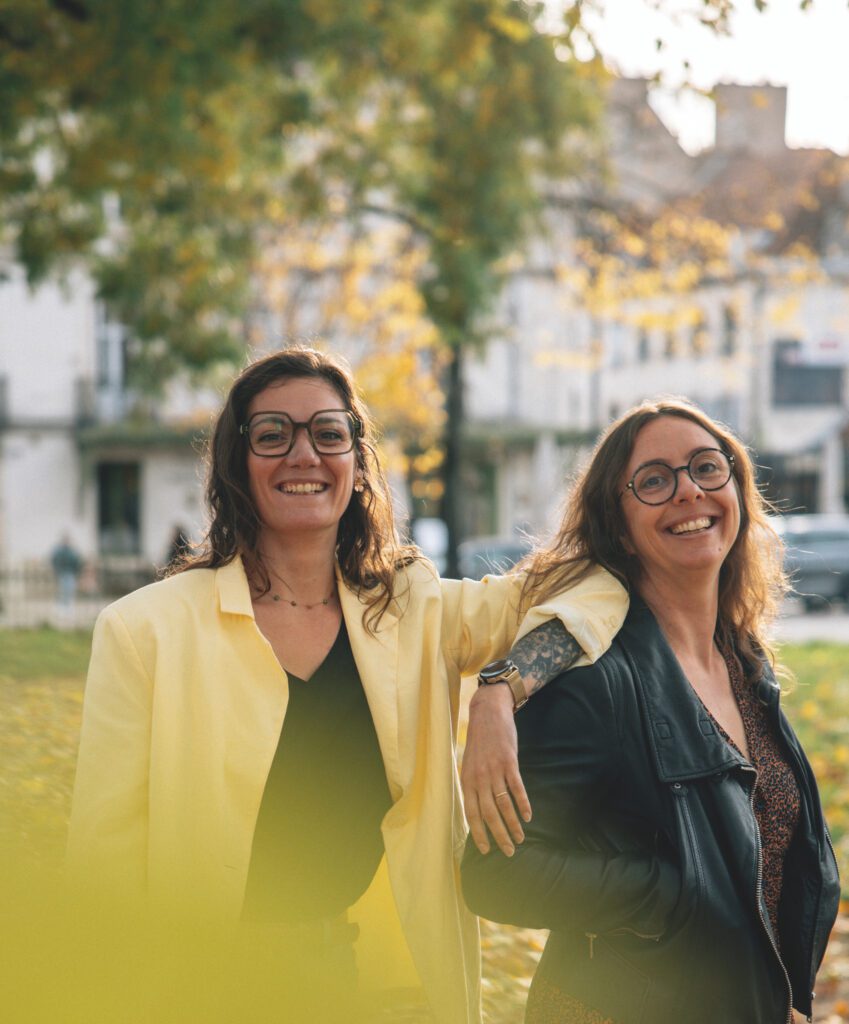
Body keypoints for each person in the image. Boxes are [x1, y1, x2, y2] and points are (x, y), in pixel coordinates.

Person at [67, 347, 629, 1023]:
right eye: (272, 434)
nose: (303, 454)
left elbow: (593, 588)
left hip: (368, 983)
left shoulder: (413, 607)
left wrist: (499, 689)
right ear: (235, 463)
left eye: (328, 434)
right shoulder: (143, 631)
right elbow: (103, 865)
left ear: (357, 464)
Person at [462, 397, 840, 1024]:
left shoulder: (744, 664)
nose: (688, 491)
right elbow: (494, 872)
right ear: (619, 524)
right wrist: (668, 897)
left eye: (706, 468)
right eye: (655, 481)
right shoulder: (595, 680)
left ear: (737, 492)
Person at [50, 533, 83, 609]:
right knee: (62, 590)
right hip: (62, 573)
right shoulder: (59, 551)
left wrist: (76, 571)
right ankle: (62, 606)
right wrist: (57, 570)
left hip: (70, 573)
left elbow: (76, 561)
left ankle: (68, 605)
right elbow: (54, 560)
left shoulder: (72, 551)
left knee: (70, 590)